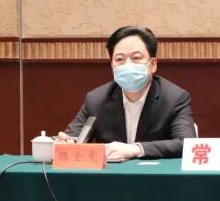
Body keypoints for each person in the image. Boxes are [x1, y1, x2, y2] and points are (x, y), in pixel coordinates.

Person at [58, 26, 195, 160]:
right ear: (112, 65)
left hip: (156, 174)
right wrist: (66, 143)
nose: (127, 65)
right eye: (119, 59)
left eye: (136, 58)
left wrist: (136, 149)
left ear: (153, 64)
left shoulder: (174, 98)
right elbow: (72, 138)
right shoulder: (96, 100)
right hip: (112, 174)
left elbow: (186, 143)